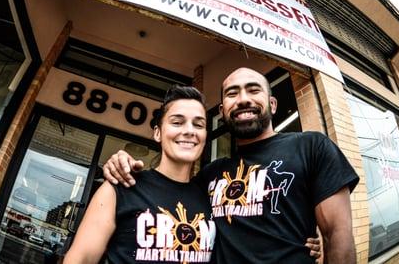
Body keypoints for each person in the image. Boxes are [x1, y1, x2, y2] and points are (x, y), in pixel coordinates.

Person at [104, 68, 359, 263]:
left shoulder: (312, 147)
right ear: (223, 111)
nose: (243, 99)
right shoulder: (209, 174)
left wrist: (321, 247)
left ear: (272, 104)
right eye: (232, 93)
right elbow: (165, 193)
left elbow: (338, 233)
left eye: (253, 90)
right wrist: (121, 162)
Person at [64, 85, 216, 264]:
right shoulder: (121, 187)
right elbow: (81, 259)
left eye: (198, 124)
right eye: (177, 122)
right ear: (158, 133)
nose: (190, 131)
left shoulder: (212, 199)